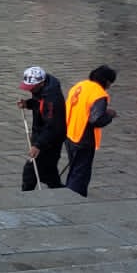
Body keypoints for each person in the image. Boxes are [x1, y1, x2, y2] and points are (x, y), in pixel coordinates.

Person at [64, 65, 118, 198]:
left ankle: (68, 194)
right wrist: (110, 115)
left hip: (70, 132)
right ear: (106, 81)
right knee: (81, 173)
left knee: (74, 168)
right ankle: (74, 199)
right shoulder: (99, 94)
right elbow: (96, 120)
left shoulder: (80, 86)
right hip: (84, 137)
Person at [18, 66, 66, 190]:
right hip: (44, 135)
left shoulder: (52, 99)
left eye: (31, 87)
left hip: (50, 139)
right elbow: (39, 104)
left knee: (31, 170)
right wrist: (28, 104)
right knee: (49, 171)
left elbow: (53, 125)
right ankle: (58, 190)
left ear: (41, 83)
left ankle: (26, 195)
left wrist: (38, 145)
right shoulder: (41, 91)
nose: (30, 90)